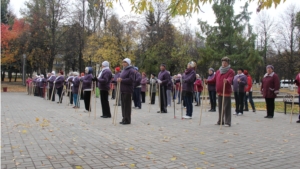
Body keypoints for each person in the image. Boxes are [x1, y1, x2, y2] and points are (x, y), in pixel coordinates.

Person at [205, 57, 235, 127]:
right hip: (219, 92)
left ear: (228, 63)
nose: (224, 64)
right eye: (223, 62)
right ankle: (220, 120)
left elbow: (230, 79)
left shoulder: (231, 71)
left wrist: (227, 80)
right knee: (220, 107)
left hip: (226, 91)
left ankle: (227, 122)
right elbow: (214, 80)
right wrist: (207, 81)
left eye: (225, 63)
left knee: (226, 107)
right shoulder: (218, 71)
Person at [117, 58, 135, 125]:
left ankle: (127, 119)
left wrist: (122, 80)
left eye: (125, 62)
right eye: (123, 62)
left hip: (128, 90)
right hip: (123, 89)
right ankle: (124, 118)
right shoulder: (123, 70)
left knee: (127, 106)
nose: (123, 63)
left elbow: (131, 80)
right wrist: (119, 79)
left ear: (128, 63)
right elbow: (122, 78)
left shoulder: (131, 70)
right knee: (123, 105)